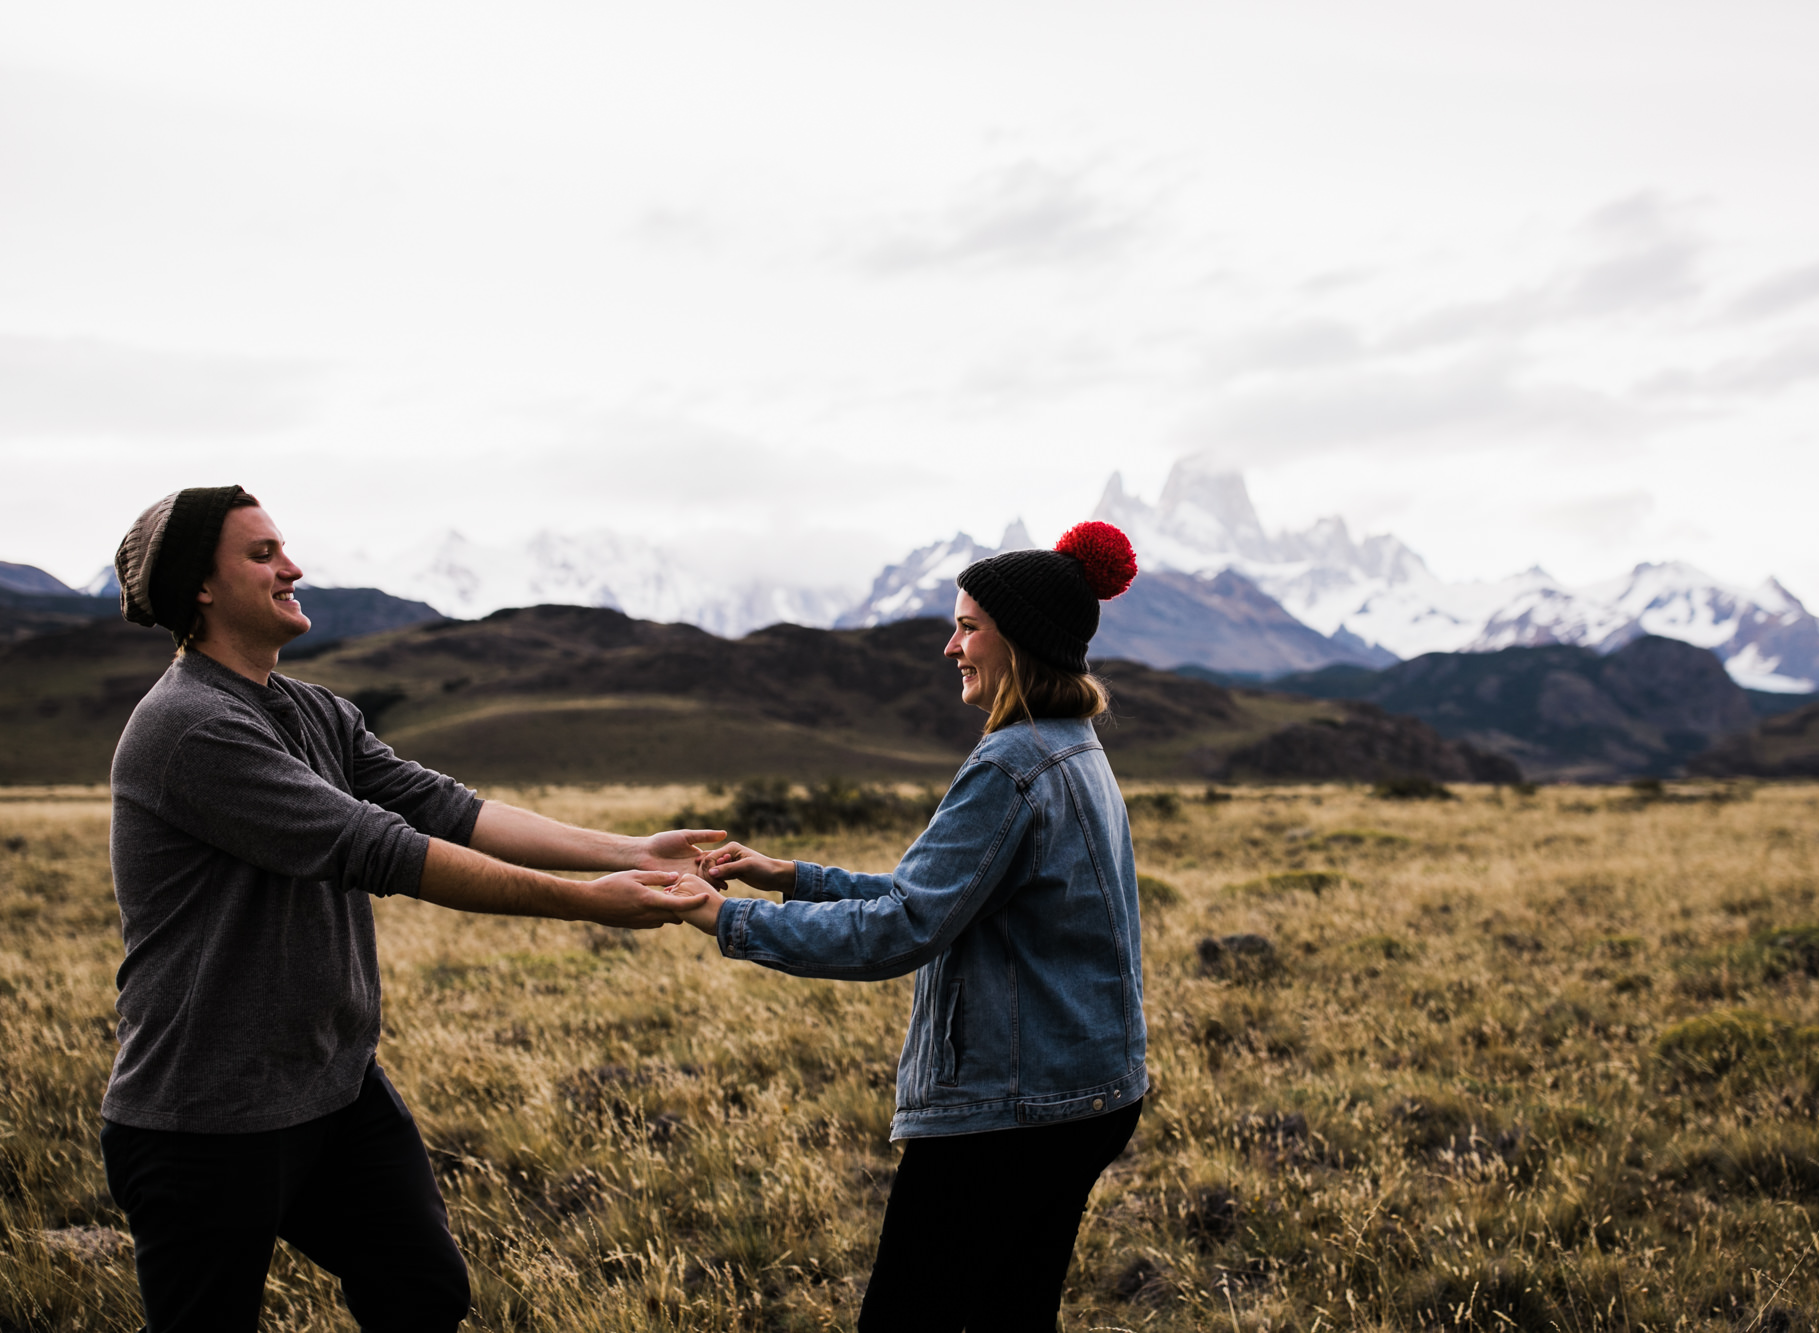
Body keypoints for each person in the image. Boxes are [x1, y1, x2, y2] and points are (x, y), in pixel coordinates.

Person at [100, 485, 720, 1333]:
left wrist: (628, 851)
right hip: (205, 1113)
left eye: (283, 548)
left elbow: (445, 807)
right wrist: (590, 904)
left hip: (332, 1086)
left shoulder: (313, 710)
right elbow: (383, 847)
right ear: (199, 588)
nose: (293, 567)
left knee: (422, 1291)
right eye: (262, 554)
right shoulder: (193, 727)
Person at [672, 519, 1148, 1333]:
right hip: (1088, 1093)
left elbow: (901, 928)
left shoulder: (1010, 764)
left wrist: (728, 919)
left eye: (968, 626)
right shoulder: (1073, 749)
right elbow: (940, 896)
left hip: (1013, 1108)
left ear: (1018, 640)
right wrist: (792, 878)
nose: (950, 647)